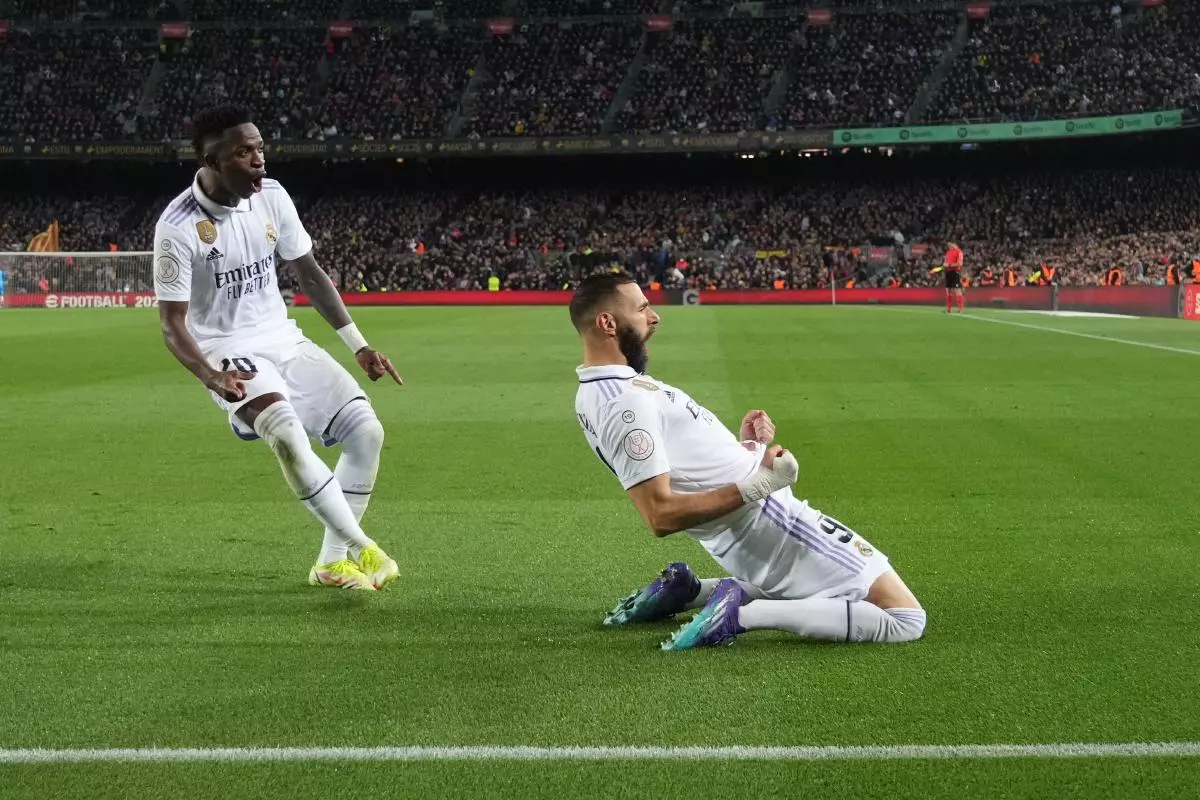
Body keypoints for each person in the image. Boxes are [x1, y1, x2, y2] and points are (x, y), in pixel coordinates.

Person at [570, 272, 926, 650]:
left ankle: (689, 593)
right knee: (904, 618)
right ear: (607, 323)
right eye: (642, 309)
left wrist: (747, 448)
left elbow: (686, 462)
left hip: (745, 537)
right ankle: (738, 615)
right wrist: (763, 483)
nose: (654, 317)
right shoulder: (625, 402)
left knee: (806, 588)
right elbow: (661, 514)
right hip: (772, 525)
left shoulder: (598, 392)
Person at [152, 105, 403, 592]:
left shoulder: (271, 196)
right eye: (243, 152)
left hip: (283, 338)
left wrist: (359, 345)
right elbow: (171, 324)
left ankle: (331, 563)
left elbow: (309, 272)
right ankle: (363, 547)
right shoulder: (178, 227)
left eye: (260, 148)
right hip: (225, 349)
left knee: (367, 432)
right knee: (286, 435)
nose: (258, 159)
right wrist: (210, 375)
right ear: (212, 160)